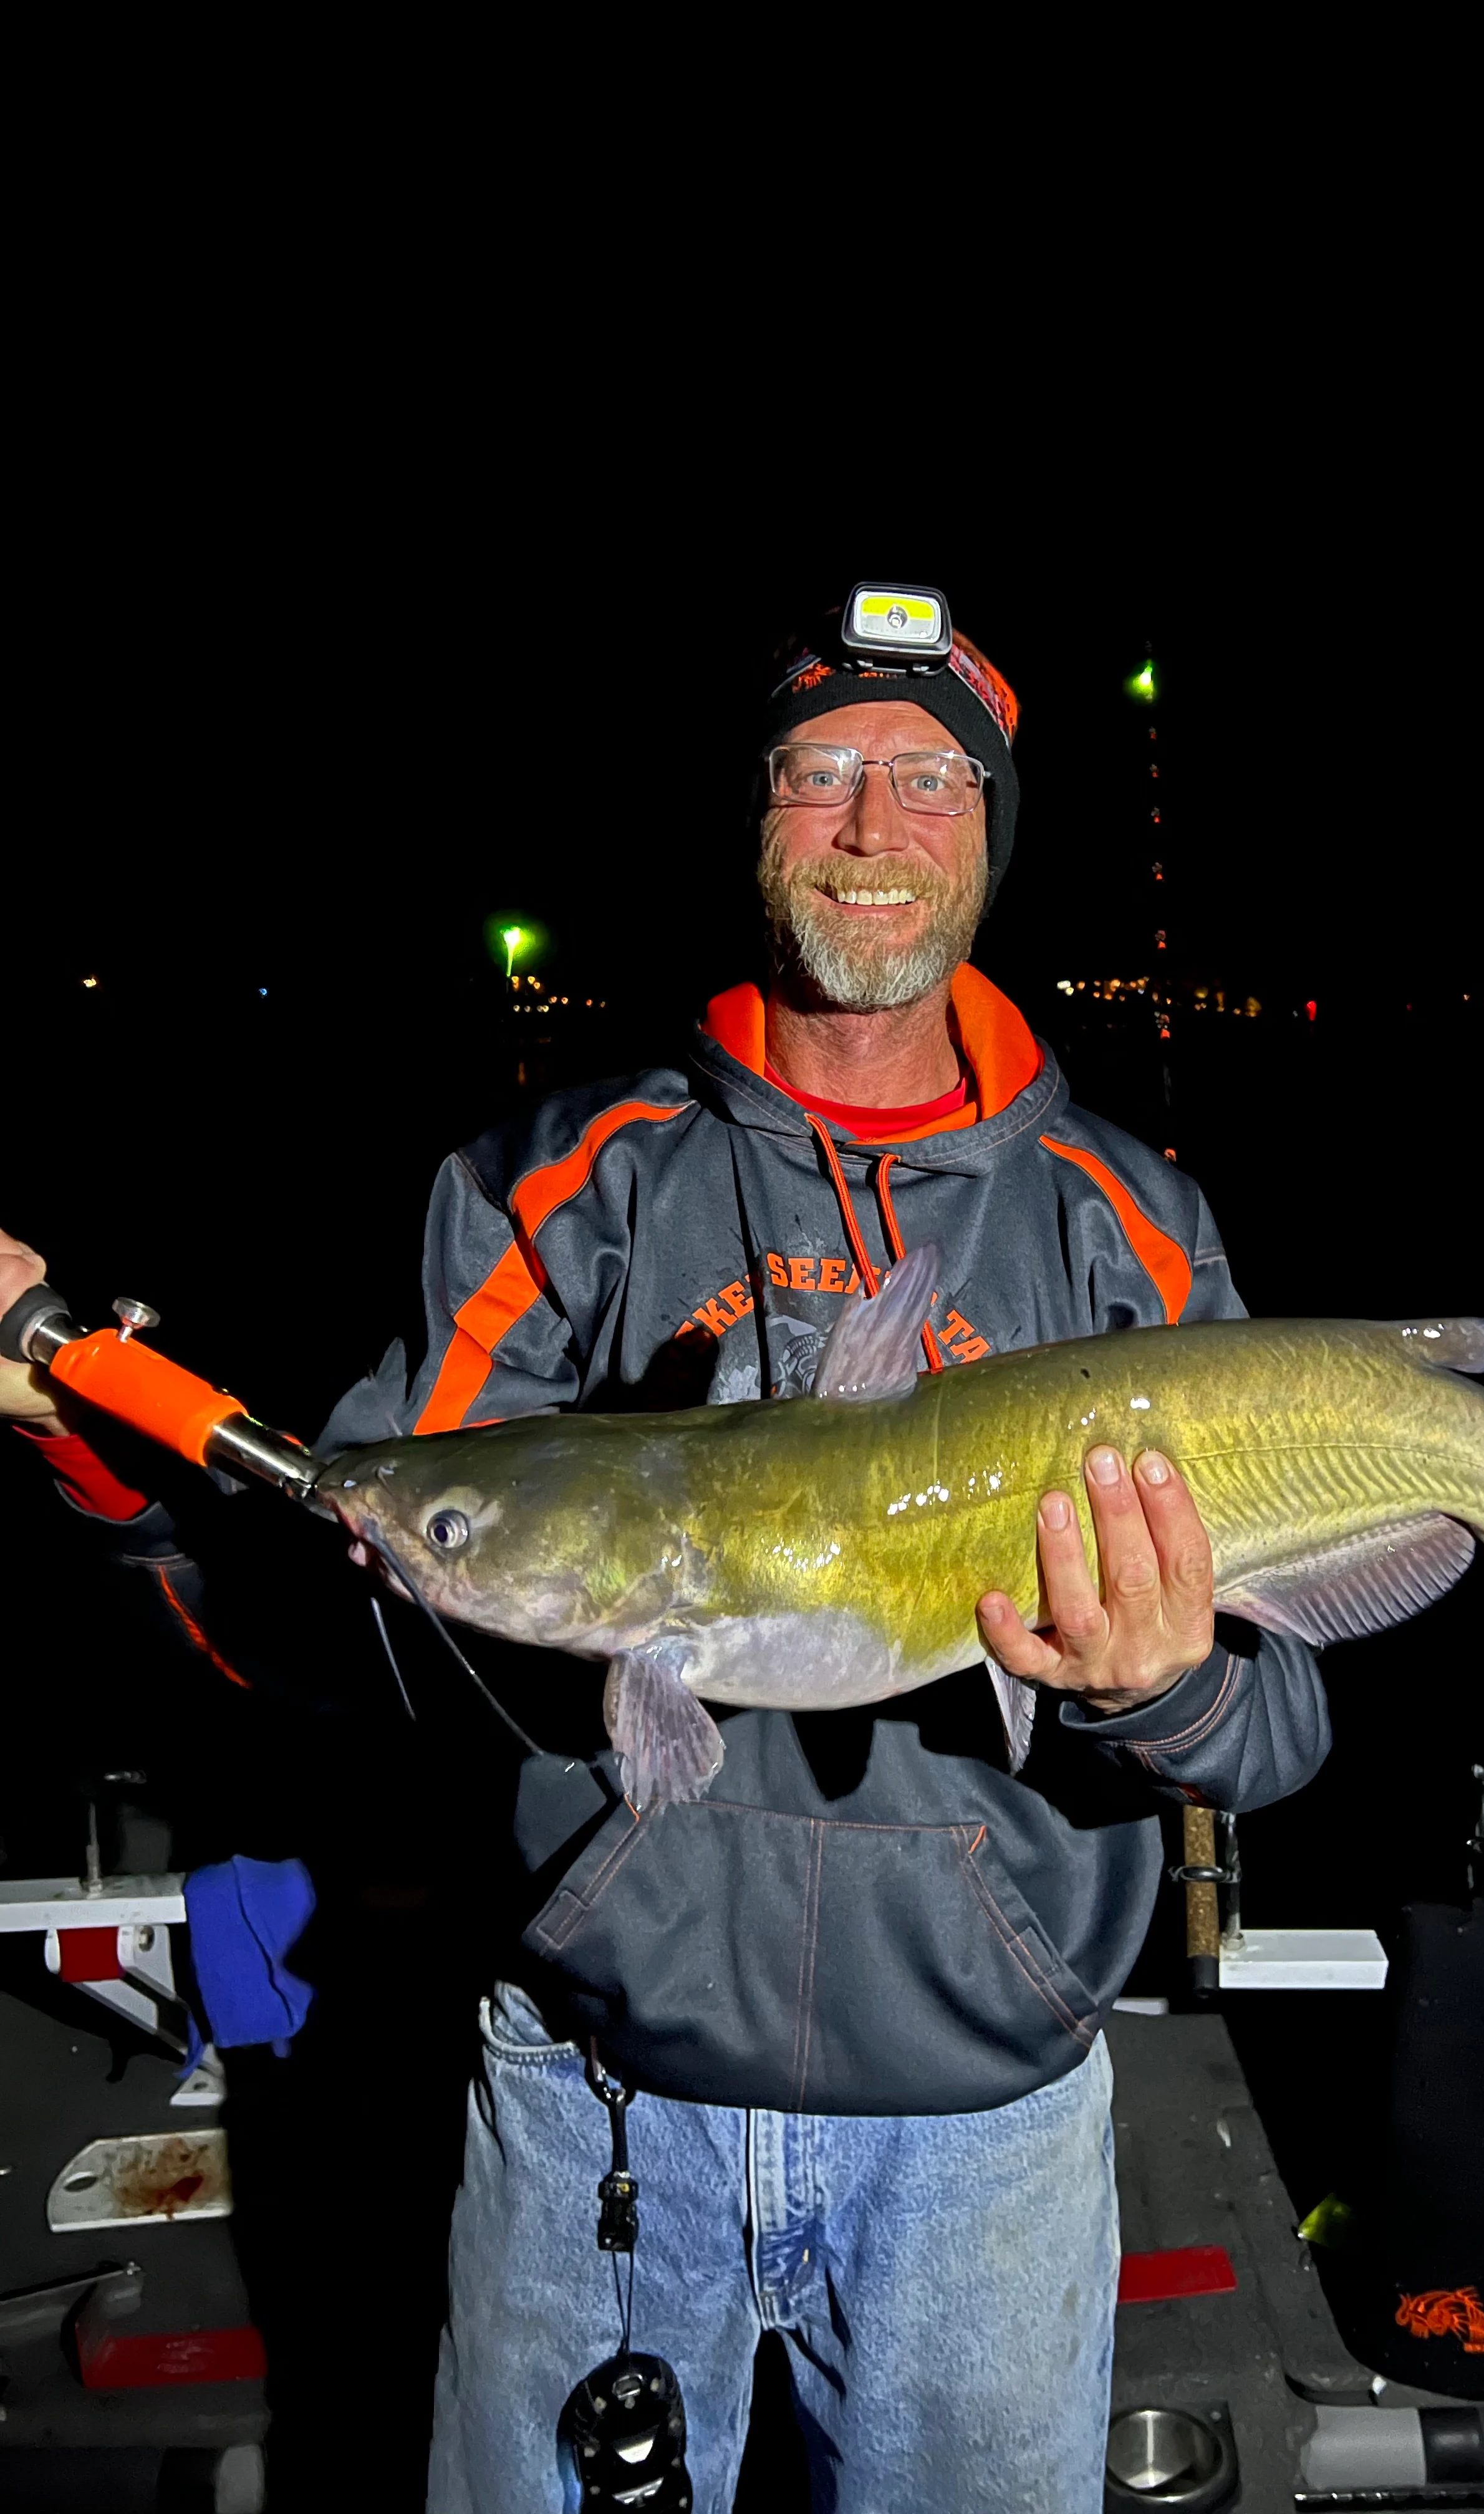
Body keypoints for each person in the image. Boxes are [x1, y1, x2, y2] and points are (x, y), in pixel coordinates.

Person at [0, 595, 1331, 2514]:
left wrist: (1168, 1687)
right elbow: (335, 1589)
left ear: (992, 827)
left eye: (931, 777)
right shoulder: (556, 1184)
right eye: (821, 773)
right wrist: (99, 1452)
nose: (874, 825)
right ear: (758, 817)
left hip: (993, 2137)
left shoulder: (1134, 1225)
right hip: (597, 2102)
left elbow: (1282, 1734)